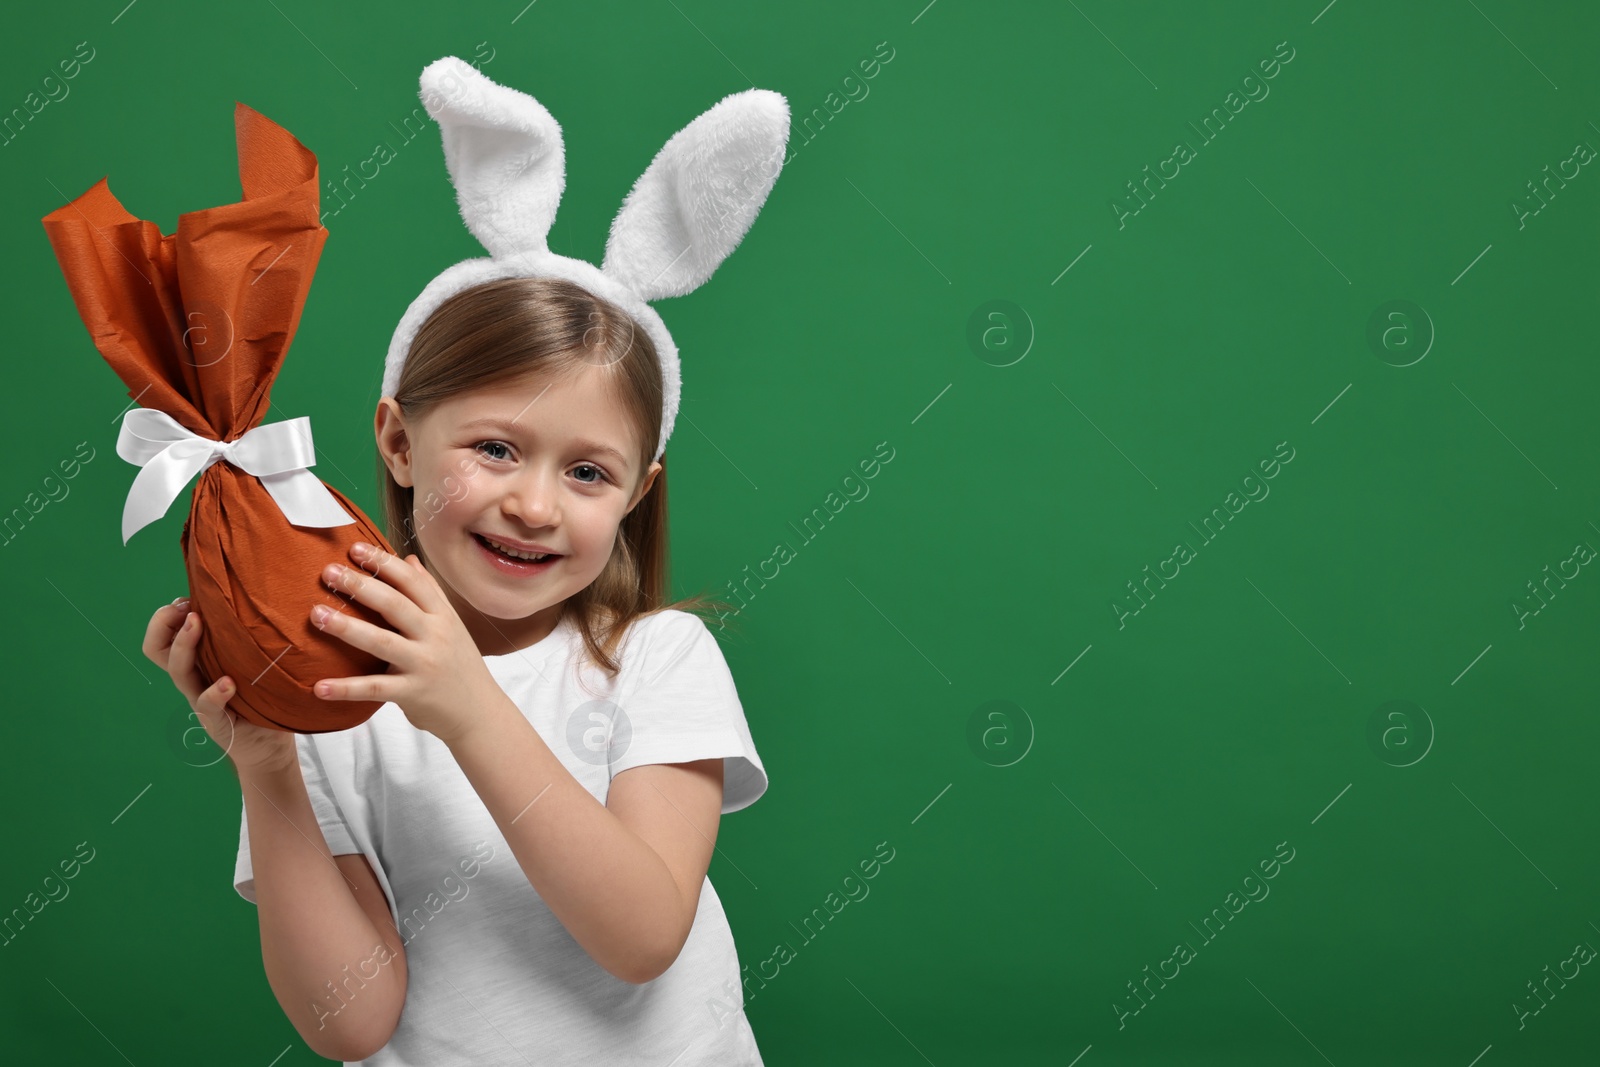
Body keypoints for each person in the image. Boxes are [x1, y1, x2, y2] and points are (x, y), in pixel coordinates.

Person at [140, 55, 789, 1066]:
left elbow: (641, 934)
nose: (533, 502)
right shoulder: (339, 681)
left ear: (635, 496)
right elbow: (350, 1017)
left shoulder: (660, 658)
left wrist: (467, 703)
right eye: (494, 448)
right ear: (399, 443)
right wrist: (268, 766)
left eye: (587, 471)